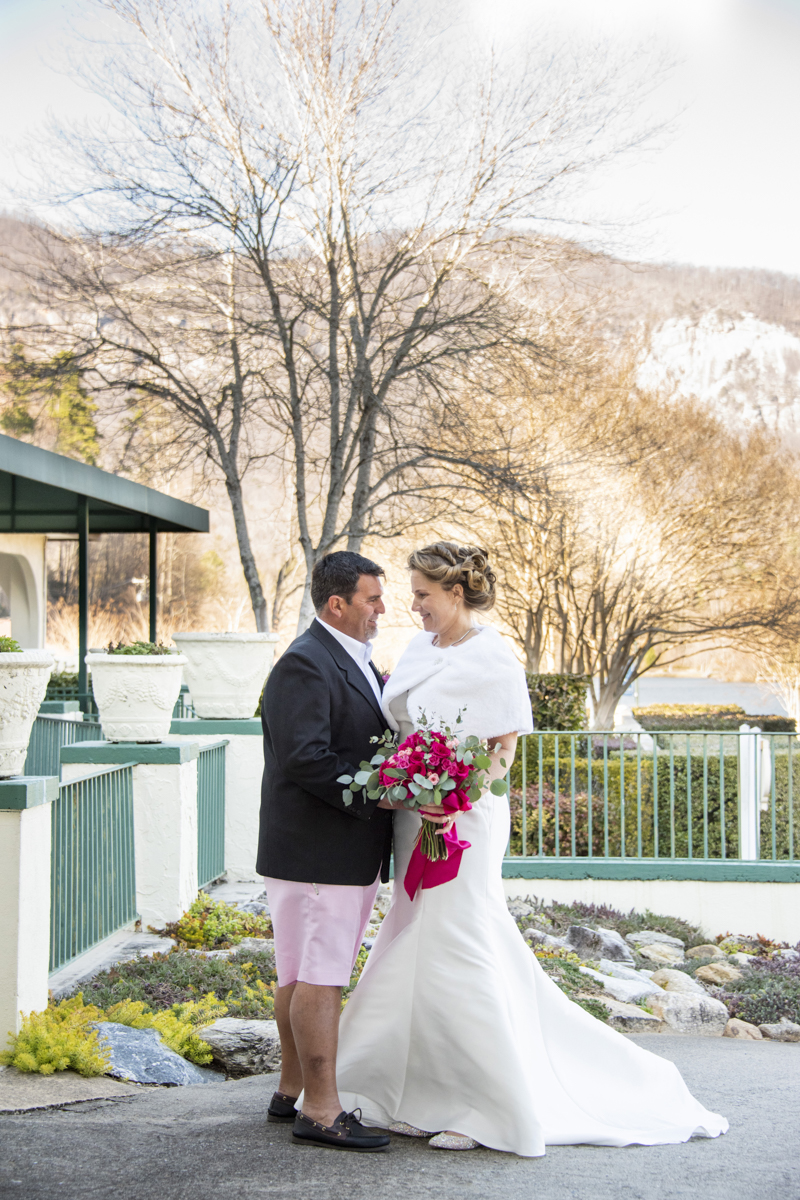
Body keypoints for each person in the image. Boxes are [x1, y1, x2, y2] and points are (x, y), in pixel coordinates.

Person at [334, 541, 729, 1157]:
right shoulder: (415, 650)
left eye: (422, 595)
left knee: (459, 943)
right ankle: (409, 1095)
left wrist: (454, 794)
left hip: (466, 817)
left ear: (456, 593)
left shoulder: (494, 658)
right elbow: (403, 730)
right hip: (415, 819)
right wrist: (406, 785)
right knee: (412, 943)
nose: (413, 607)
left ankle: (487, 1105)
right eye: (412, 595)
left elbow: (502, 753)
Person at [256, 550, 447, 1153]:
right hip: (320, 851)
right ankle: (321, 1109)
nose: (383, 609)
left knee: (299, 973)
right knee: (321, 978)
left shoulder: (346, 659)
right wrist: (386, 795)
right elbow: (305, 758)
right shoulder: (305, 664)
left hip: (319, 850)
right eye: (371, 598)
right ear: (335, 603)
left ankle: (290, 1091)